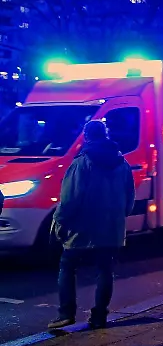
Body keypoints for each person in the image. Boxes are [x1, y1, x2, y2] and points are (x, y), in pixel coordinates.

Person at [48, 120, 134, 330]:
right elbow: (129, 200)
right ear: (105, 134)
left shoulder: (82, 162)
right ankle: (99, 317)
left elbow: (70, 199)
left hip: (82, 228)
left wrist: (59, 221)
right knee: (105, 270)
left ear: (86, 136)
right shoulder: (122, 163)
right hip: (111, 229)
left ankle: (66, 313)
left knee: (67, 266)